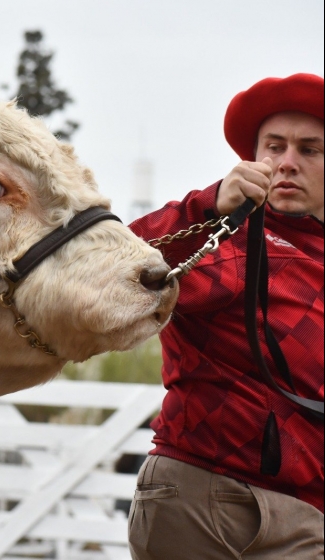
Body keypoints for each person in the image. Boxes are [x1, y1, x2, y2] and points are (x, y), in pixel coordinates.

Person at [127, 73, 324, 559]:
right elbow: (109, 267)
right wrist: (207, 204)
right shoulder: (225, 240)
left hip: (303, 512)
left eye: (311, 149)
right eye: (274, 147)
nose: (287, 163)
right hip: (208, 500)